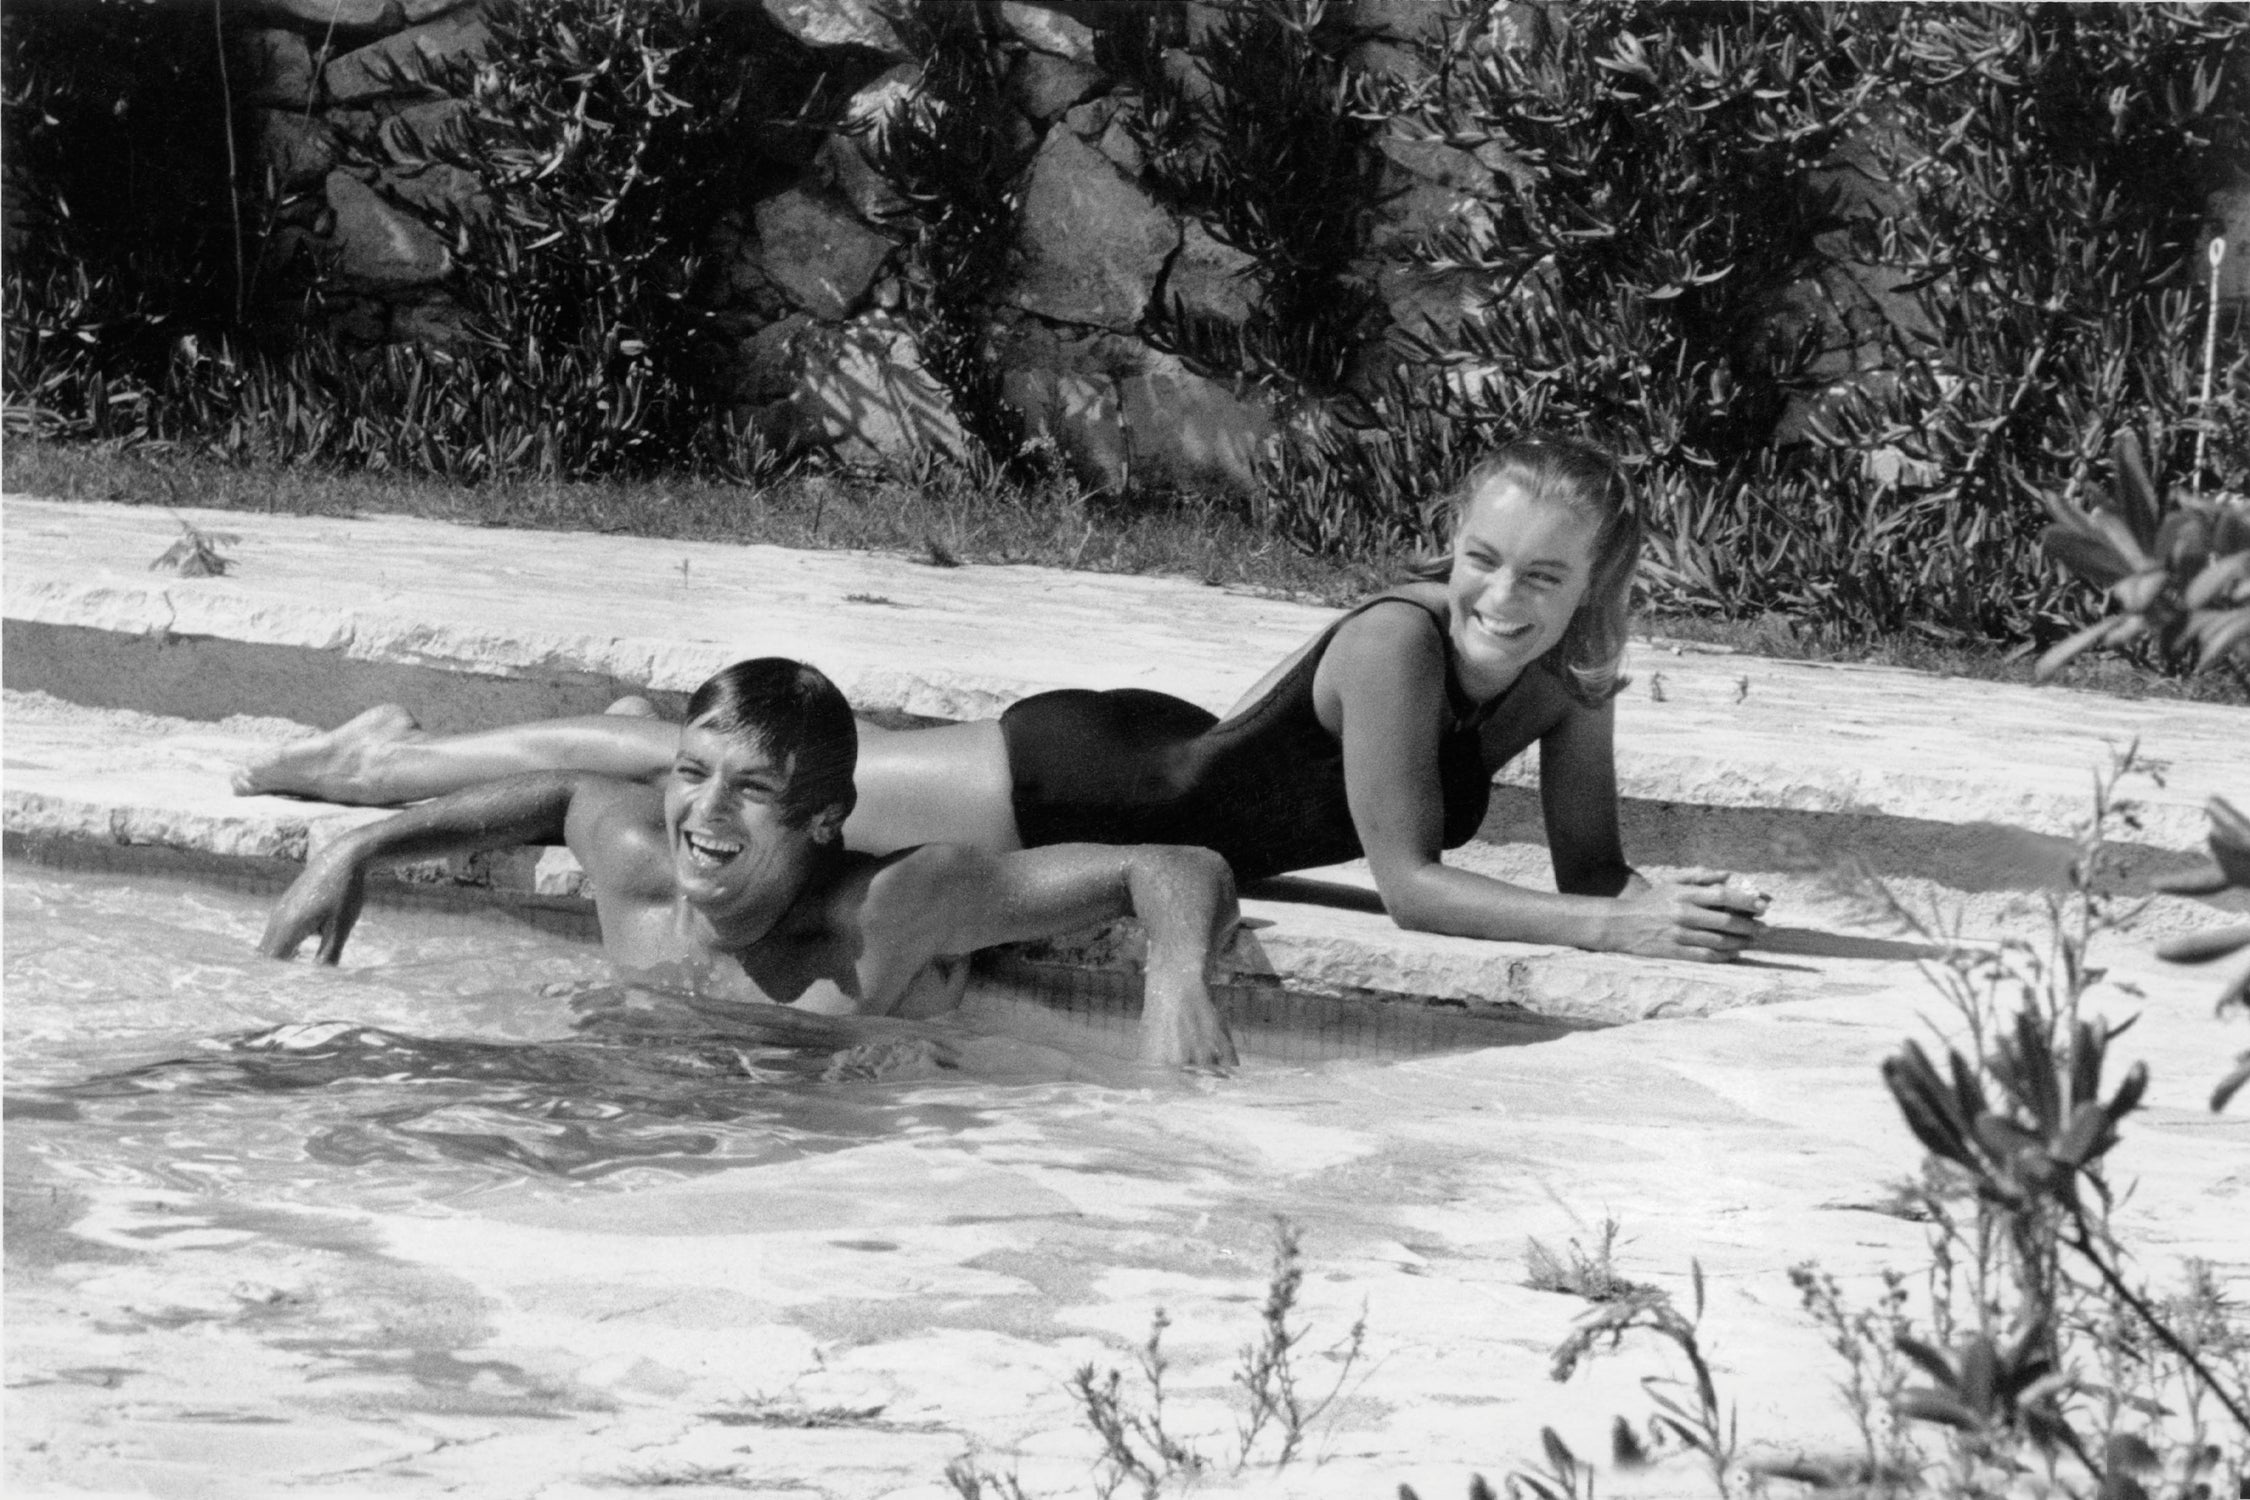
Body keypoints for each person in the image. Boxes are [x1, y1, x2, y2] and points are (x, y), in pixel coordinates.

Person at [240, 437, 1766, 963]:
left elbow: (1588, 875)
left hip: (1149, 756)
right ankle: (367, 766)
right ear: (1447, 550)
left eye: (1542, 582)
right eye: (1477, 558)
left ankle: (387, 756)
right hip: (1074, 778)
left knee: (684, 756)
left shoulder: (1572, 688)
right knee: (675, 762)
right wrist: (1607, 928)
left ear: (1596, 590)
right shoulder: (1395, 646)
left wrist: (1638, 900)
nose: (1498, 599)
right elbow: (1420, 893)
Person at [260, 657, 1241, 1068]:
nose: (705, 816)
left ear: (822, 822)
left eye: (751, 792)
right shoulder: (644, 870)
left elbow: (1173, 866)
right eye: (693, 778)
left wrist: (1176, 978)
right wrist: (364, 845)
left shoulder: (894, 907)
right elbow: (563, 795)